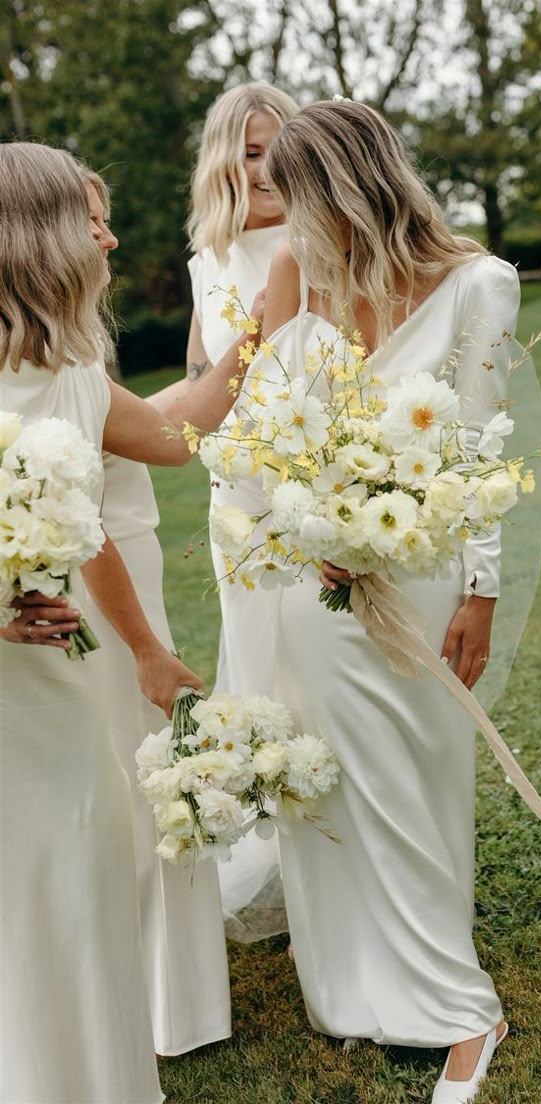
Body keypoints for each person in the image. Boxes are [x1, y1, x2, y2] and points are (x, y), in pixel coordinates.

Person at [254, 100, 523, 1104]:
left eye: (295, 198)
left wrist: (481, 595)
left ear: (344, 186)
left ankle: (459, 1005)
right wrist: (301, 527)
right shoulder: (304, 281)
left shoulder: (477, 284)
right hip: (308, 580)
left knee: (413, 781)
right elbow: (265, 428)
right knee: (333, 782)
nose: (286, 223)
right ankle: (355, 986)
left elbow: (481, 448)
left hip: (420, 568)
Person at [0, 140, 247, 1104]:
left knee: (86, 853)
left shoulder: (71, 376)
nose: (107, 241)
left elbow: (172, 436)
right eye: (88, 221)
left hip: (55, 684)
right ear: (48, 236)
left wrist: (257, 333)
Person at [81, 165, 232, 1056]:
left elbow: (142, 417)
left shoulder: (59, 347)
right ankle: (167, 1007)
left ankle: (133, 993)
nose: (110, 239)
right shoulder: (50, 356)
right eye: (93, 223)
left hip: (97, 579)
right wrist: (254, 343)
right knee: (138, 779)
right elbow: (170, 439)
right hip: (108, 594)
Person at [150, 81, 298, 942]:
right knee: (257, 661)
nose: (266, 164)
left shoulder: (323, 238)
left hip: (315, 483)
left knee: (321, 659)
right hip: (236, 496)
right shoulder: (208, 259)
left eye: (279, 146)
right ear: (221, 161)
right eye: (248, 150)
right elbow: (204, 379)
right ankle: (276, 843)